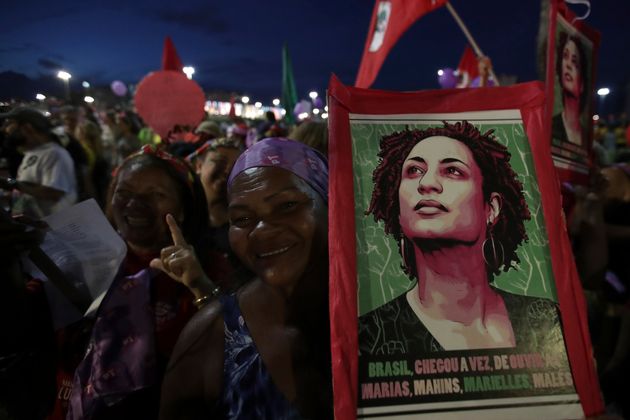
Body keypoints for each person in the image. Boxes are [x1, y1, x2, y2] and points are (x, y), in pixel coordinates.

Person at [159, 138, 332, 419]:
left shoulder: (388, 315)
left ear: (330, 203)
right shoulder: (212, 338)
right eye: (241, 219)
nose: (262, 230)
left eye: (287, 205)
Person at [359, 121, 562, 355]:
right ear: (398, 210)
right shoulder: (367, 336)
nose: (427, 184)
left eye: (453, 171)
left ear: (491, 208)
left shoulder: (548, 318)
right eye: (414, 170)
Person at [67, 145, 228, 419]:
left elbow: (238, 347)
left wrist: (199, 285)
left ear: (184, 208)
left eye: (156, 195)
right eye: (124, 193)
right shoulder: (81, 259)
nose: (135, 204)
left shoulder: (212, 268)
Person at [0, 107, 77, 218]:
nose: (4, 129)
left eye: (10, 124)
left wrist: (9, 183)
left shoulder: (54, 154)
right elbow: (23, 188)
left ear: (27, 128)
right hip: (37, 230)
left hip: (56, 229)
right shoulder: (31, 154)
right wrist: (17, 214)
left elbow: (54, 193)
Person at [553, 32, 588, 146]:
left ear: (582, 83)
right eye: (565, 56)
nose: (568, 64)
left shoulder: (587, 137)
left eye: (574, 62)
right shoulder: (551, 127)